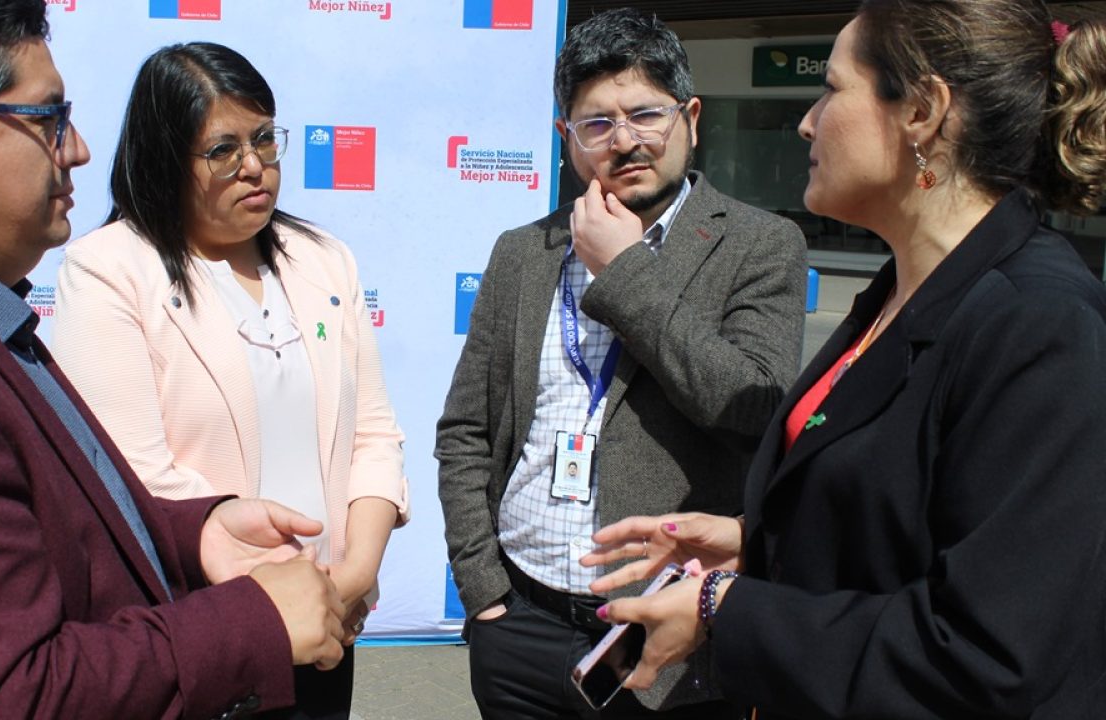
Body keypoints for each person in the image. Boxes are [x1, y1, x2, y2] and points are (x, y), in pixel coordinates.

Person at [584, 2, 1106, 718]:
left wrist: (726, 607)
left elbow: (988, 654)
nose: (807, 122)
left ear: (921, 111)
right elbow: (902, 524)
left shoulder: (1042, 325)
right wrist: (756, 544)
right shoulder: (901, 290)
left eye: (831, 89)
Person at [0, 2, 347, 718]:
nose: (77, 150)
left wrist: (195, 535)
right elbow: (11, 696)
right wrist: (254, 620)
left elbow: (57, 529)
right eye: (48, 120)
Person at [435, 8, 807, 719]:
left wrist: (627, 271)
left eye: (645, 114)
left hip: (666, 640)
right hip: (521, 623)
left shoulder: (760, 245)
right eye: (597, 123)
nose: (625, 140)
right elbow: (465, 430)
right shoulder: (524, 251)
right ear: (567, 138)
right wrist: (483, 591)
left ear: (690, 117)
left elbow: (752, 407)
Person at [51, 42, 409, 720]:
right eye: (223, 150)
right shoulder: (108, 271)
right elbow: (133, 476)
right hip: (201, 638)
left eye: (265, 139)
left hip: (329, 626)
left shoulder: (323, 260)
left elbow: (373, 436)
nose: (254, 166)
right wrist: (275, 594)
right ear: (165, 158)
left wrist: (350, 577)